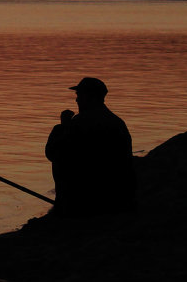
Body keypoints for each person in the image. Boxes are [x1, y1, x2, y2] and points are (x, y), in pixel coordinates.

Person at [45, 76, 136, 218]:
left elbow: (53, 152)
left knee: (62, 160)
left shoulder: (81, 123)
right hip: (118, 194)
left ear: (91, 97)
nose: (77, 100)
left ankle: (65, 205)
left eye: (79, 95)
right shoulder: (116, 121)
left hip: (90, 197)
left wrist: (62, 127)